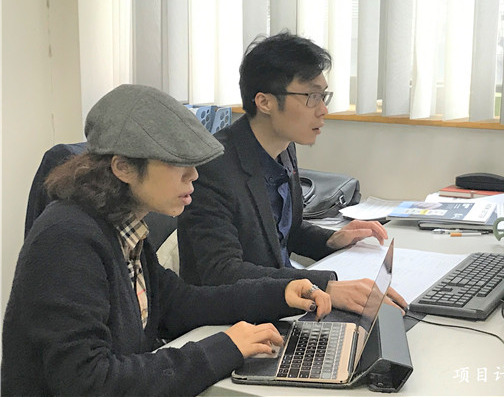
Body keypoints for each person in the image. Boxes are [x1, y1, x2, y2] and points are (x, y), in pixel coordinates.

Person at [1, 84, 331, 396]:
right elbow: (90, 381)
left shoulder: (121, 228)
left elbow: (180, 303)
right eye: (177, 163)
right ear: (123, 167)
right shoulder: (68, 240)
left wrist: (280, 294)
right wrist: (224, 348)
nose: (194, 175)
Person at [178, 32, 407, 314]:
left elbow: (286, 232)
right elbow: (222, 273)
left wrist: (330, 239)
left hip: (283, 305)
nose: (323, 110)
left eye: (323, 96)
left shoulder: (284, 148)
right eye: (311, 97)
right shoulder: (213, 168)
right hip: (235, 317)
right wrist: (323, 286)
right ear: (264, 102)